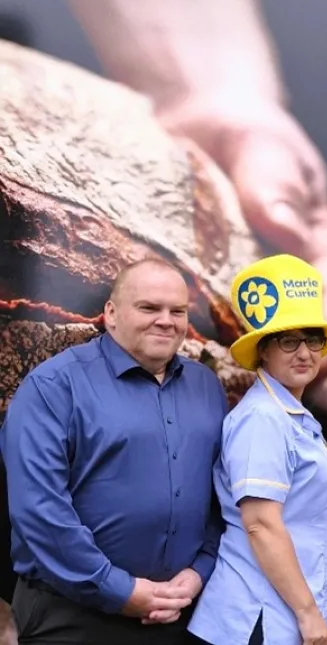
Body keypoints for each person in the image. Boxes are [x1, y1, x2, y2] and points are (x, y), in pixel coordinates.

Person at [0, 258, 227, 644]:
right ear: (111, 313)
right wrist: (119, 591)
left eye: (177, 311)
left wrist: (199, 571)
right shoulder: (53, 387)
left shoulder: (207, 387)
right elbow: (39, 511)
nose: (166, 321)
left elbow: (222, 497)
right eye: (149, 308)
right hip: (72, 619)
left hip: (181, 615)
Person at [188, 255, 327, 645]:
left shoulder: (290, 413)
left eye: (313, 339)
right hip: (262, 619)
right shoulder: (262, 417)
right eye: (288, 341)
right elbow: (261, 524)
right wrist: (308, 613)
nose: (304, 352)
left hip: (292, 615)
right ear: (263, 350)